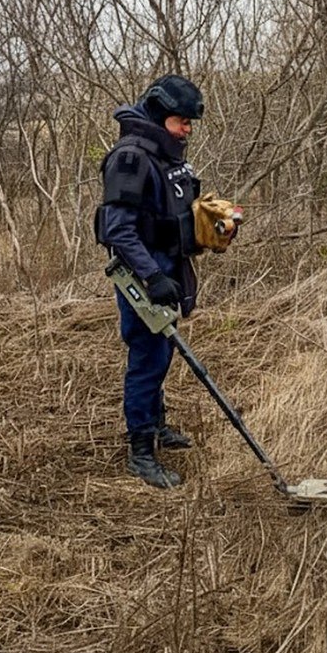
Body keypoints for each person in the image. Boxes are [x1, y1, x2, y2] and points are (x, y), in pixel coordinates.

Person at [95, 75, 205, 489]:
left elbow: (176, 207)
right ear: (161, 116)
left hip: (167, 265)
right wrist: (152, 275)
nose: (188, 129)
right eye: (182, 121)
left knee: (161, 353)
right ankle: (141, 451)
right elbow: (118, 231)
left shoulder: (167, 155)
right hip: (142, 272)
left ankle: (156, 425)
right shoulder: (131, 158)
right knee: (148, 357)